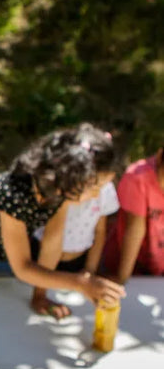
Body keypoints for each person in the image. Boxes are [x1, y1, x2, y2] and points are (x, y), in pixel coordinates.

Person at [0, 123, 125, 314]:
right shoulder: (12, 194)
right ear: (73, 176)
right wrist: (80, 284)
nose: (95, 196)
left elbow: (52, 243)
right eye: (95, 188)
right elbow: (23, 268)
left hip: (3, 257)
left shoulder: (60, 191)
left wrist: (40, 296)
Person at [30, 126, 119, 318]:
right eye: (95, 186)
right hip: (42, 261)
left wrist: (89, 274)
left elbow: (100, 232)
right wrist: (40, 295)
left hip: (78, 263)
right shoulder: (55, 195)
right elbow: (51, 242)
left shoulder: (103, 191)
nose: (98, 193)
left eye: (103, 185)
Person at [103, 147, 164, 281]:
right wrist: (122, 280)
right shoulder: (137, 177)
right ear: (160, 157)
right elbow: (135, 230)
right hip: (128, 264)